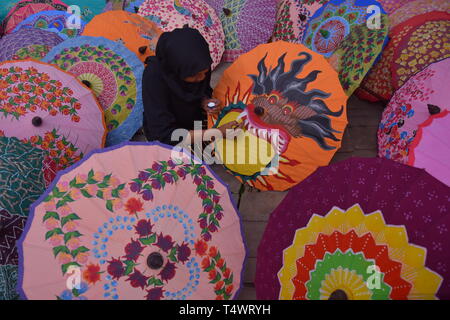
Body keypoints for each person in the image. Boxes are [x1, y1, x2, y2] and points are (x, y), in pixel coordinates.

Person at [142, 27, 241, 147]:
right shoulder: (154, 77)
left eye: (205, 71)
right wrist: (217, 132)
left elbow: (201, 90)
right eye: (194, 75)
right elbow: (163, 135)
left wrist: (204, 101)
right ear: (177, 69)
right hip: (166, 137)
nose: (202, 78)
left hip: (194, 124)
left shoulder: (198, 63)